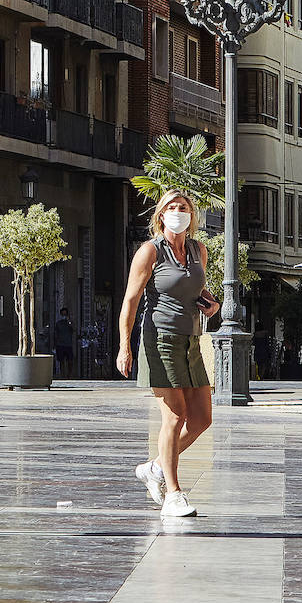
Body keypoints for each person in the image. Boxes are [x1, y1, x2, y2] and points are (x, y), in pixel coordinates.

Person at [117, 189, 214, 519]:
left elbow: (196, 288)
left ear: (192, 215)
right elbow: (130, 301)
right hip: (159, 339)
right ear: (160, 216)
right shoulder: (150, 251)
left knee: (201, 418)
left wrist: (210, 302)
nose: (177, 211)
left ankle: (156, 467)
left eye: (183, 207)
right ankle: (173, 493)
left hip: (191, 340)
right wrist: (124, 346)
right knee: (174, 416)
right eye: (171, 207)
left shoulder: (197, 249)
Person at [53, 307, 76, 377]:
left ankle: (69, 374)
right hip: (60, 344)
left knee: (70, 361)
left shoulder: (70, 323)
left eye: (65, 314)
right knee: (61, 361)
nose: (64, 316)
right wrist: (54, 344)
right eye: (63, 314)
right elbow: (55, 334)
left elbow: (73, 330)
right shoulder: (58, 323)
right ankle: (63, 374)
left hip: (68, 344)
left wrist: (69, 322)